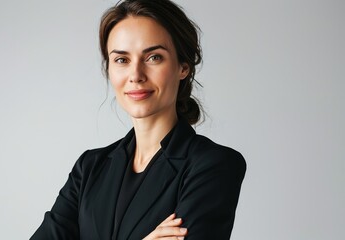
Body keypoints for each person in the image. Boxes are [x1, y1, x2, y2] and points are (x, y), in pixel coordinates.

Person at [31, 0, 246, 239]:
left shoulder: (214, 165)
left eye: (154, 57)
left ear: (183, 67)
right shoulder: (89, 168)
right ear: (109, 69)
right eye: (122, 60)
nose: (135, 75)